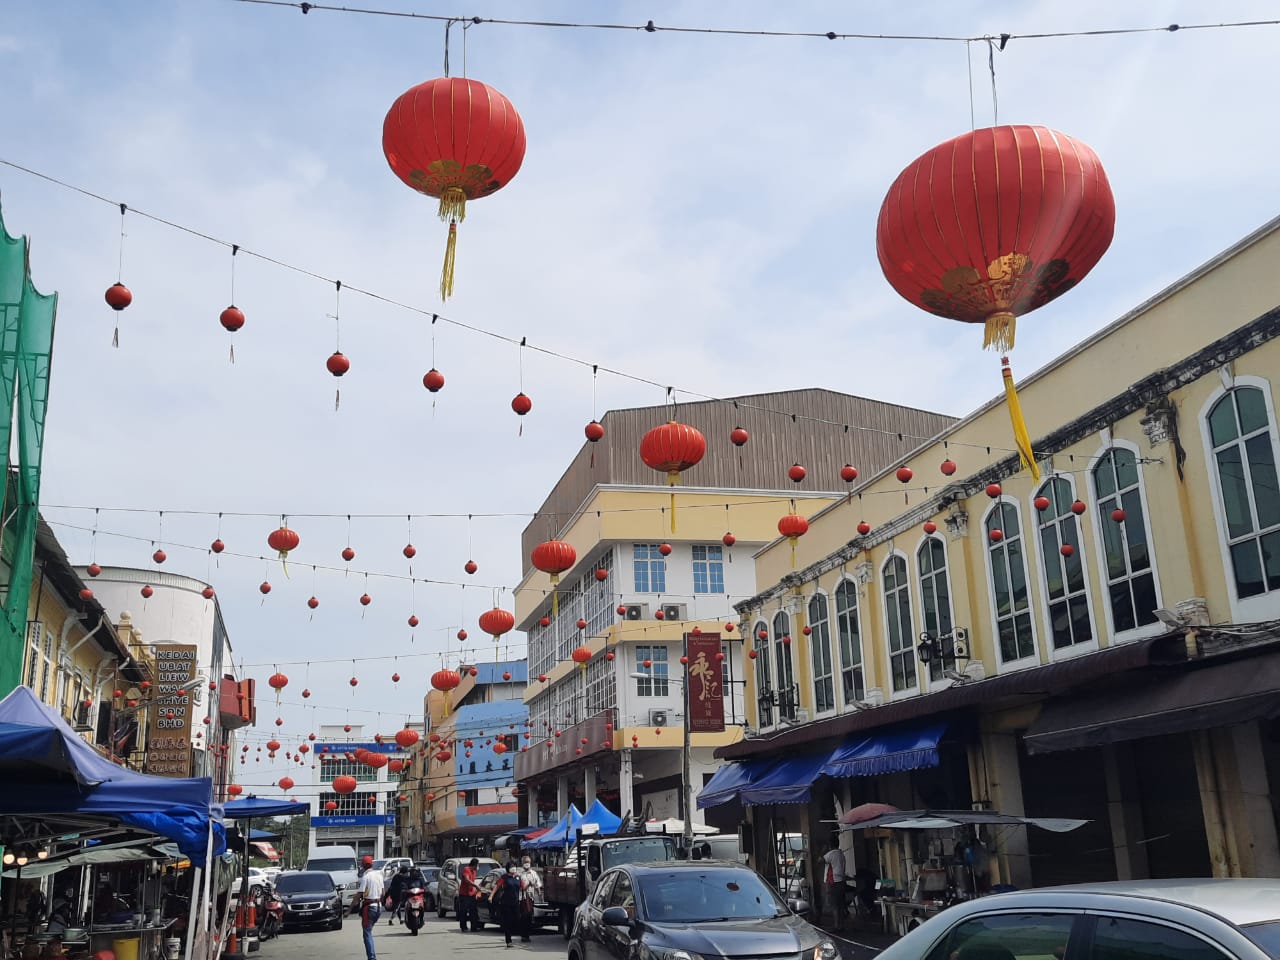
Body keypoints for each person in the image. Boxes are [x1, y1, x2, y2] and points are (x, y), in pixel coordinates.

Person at [354, 856, 385, 960]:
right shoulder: (379, 876)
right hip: (378, 907)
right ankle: (372, 956)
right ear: (371, 864)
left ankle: (371, 958)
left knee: (367, 933)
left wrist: (348, 910)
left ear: (363, 865)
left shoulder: (365, 877)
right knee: (369, 931)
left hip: (369, 908)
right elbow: (383, 893)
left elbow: (359, 895)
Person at [488, 863, 525, 948]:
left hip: (516, 903)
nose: (513, 868)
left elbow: (523, 887)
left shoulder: (518, 877)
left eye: (514, 867)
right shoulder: (504, 878)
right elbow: (497, 886)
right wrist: (491, 896)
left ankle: (520, 935)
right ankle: (508, 941)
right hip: (506, 903)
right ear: (508, 868)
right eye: (511, 867)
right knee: (508, 921)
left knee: (517, 919)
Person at [821, 838, 848, 933]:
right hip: (841, 881)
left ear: (830, 845)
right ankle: (841, 925)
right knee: (840, 904)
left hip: (833, 882)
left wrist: (823, 851)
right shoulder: (841, 854)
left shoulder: (830, 854)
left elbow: (820, 861)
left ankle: (836, 926)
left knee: (834, 905)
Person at [515, 856, 541, 943]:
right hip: (522, 898)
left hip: (530, 897)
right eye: (525, 862)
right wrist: (528, 885)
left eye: (528, 862)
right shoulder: (519, 874)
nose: (527, 864)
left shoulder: (533, 873)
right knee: (524, 917)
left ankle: (527, 934)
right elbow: (519, 887)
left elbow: (537, 885)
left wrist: (539, 893)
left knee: (529, 917)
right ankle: (524, 935)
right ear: (522, 863)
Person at [457, 857, 481, 932]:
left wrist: (476, 890)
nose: (478, 867)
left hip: (471, 894)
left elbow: (473, 882)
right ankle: (463, 927)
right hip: (464, 894)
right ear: (474, 865)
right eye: (477, 865)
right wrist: (475, 886)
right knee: (463, 911)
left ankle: (474, 927)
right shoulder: (466, 869)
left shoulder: (474, 872)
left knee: (473, 911)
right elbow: (467, 880)